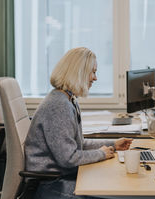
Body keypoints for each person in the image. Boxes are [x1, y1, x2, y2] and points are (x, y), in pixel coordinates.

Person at [25, 47, 133, 199]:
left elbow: (79, 144)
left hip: (61, 178)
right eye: (93, 72)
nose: (95, 78)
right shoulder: (58, 105)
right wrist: (101, 154)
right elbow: (69, 158)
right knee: (112, 193)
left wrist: (113, 144)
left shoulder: (69, 100)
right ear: (79, 73)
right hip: (49, 185)